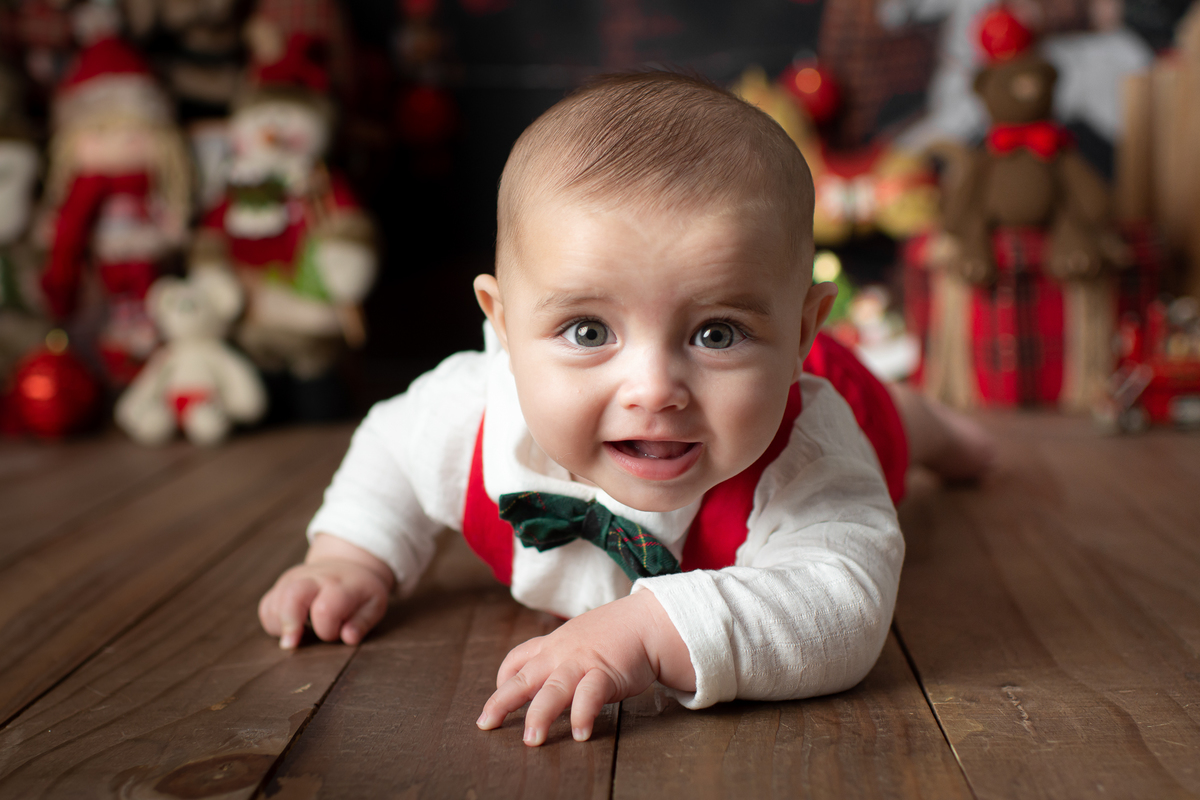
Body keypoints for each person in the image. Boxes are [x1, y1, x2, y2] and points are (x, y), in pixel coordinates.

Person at [258, 71, 994, 747]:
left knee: (894, 422)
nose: (653, 389)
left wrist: (648, 630)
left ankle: (939, 428)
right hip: (738, 393)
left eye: (716, 332)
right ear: (505, 325)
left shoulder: (810, 449)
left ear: (801, 331)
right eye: (588, 332)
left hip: (836, 397)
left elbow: (844, 608)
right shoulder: (470, 409)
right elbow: (390, 448)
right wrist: (352, 554)